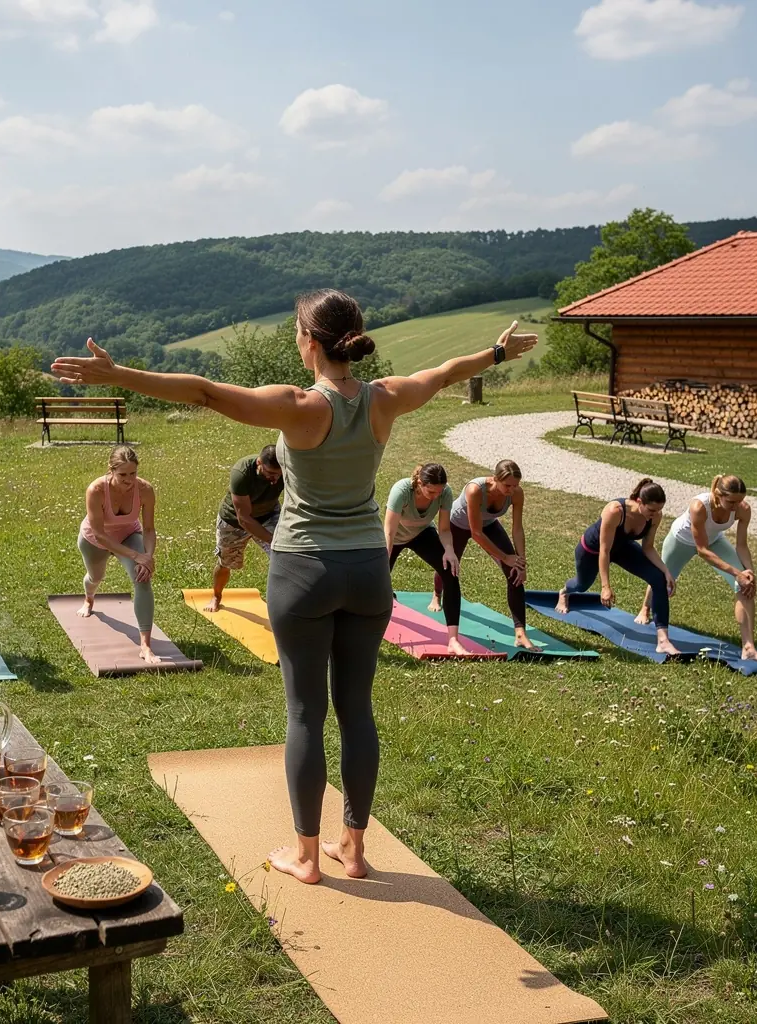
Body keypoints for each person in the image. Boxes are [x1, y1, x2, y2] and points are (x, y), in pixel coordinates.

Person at [52, 290, 536, 885]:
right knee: (356, 710)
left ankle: (307, 857)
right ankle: (352, 849)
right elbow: (443, 373)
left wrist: (118, 374)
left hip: (304, 569)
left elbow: (203, 391)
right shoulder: (385, 396)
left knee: (306, 713)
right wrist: (495, 353)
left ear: (309, 341)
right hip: (367, 571)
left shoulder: (299, 405)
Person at [634, 475, 757, 663]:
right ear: (718, 494)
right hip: (681, 541)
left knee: (744, 586)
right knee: (661, 579)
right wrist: (737, 573)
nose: (736, 506)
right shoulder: (699, 506)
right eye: (731, 502)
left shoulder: (743, 509)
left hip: (714, 541)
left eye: (740, 500)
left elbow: (742, 546)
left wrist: (748, 572)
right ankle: (645, 608)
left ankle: (748, 648)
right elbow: (702, 550)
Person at [555, 477, 679, 658]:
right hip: (592, 550)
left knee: (658, 578)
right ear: (639, 502)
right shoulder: (615, 510)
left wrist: (666, 571)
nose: (655, 514)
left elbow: (648, 548)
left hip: (622, 549)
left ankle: (663, 641)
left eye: (659, 510)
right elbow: (604, 550)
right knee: (582, 585)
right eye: (651, 510)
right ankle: (565, 592)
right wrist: (605, 587)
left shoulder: (654, 516)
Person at [432, 460, 534, 650]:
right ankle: (437, 594)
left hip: (488, 525)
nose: (512, 490)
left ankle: (520, 633)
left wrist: (520, 561)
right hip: (458, 524)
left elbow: (517, 529)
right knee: (449, 567)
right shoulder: (475, 489)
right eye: (507, 485)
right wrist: (505, 557)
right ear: (495, 479)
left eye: (515, 485)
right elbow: (476, 533)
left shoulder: (516, 493)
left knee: (514, 572)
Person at [77, 445, 158, 664]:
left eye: (133, 473)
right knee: (95, 577)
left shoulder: (145, 489)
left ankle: (145, 646)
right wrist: (136, 555)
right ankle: (89, 599)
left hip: (128, 535)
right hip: (95, 540)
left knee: (142, 578)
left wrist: (147, 557)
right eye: (123, 474)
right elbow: (100, 535)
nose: (129, 480)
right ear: (111, 470)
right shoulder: (96, 490)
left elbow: (149, 529)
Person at [384, 464, 465, 656]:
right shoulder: (402, 490)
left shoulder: (445, 493)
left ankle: (453, 640)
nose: (436, 496)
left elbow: (444, 529)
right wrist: (383, 561)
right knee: (379, 580)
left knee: (450, 572)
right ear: (419, 483)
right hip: (395, 537)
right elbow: (389, 531)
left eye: (439, 491)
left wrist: (449, 550)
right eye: (431, 492)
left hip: (422, 533)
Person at [205, 445, 284, 612]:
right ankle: (216, 596)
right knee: (226, 563)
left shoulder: (286, 468)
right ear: (259, 463)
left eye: (278, 474)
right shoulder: (242, 473)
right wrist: (273, 540)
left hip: (268, 515)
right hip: (234, 521)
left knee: (284, 557)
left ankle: (282, 605)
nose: (275, 478)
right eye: (270, 473)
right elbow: (244, 519)